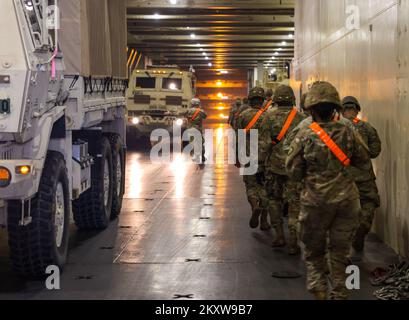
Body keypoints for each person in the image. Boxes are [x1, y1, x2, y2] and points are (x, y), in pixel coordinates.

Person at [286, 81, 370, 300]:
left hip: (315, 200)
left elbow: (293, 170)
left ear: (311, 109)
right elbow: (363, 161)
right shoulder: (349, 131)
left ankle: (319, 287)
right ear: (335, 108)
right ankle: (340, 291)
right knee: (340, 251)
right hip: (346, 201)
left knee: (314, 252)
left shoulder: (305, 134)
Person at [259, 85, 306, 253]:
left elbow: (264, 146)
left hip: (274, 168)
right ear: (293, 99)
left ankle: (279, 236)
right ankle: (294, 241)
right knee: (295, 203)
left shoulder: (268, 118)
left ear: (276, 99)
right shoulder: (302, 119)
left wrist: (261, 164)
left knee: (274, 200)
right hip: (295, 169)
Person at [342, 96, 382, 253]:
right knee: (368, 206)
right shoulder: (367, 128)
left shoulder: (335, 129)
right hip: (365, 178)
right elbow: (374, 152)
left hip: (343, 179)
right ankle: (362, 230)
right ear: (357, 110)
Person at [236, 87, 270, 231]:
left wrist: (237, 156)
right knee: (265, 188)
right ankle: (263, 221)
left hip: (249, 157)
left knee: (251, 186)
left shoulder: (242, 116)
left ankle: (255, 206)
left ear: (250, 100)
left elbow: (238, 137)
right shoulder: (268, 116)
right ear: (262, 101)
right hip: (266, 158)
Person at [186, 98, 207, 163]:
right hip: (198, 129)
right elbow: (205, 116)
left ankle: (196, 156)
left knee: (192, 143)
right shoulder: (200, 111)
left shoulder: (188, 111)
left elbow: (185, 115)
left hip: (190, 130)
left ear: (192, 104)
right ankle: (203, 157)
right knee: (200, 142)